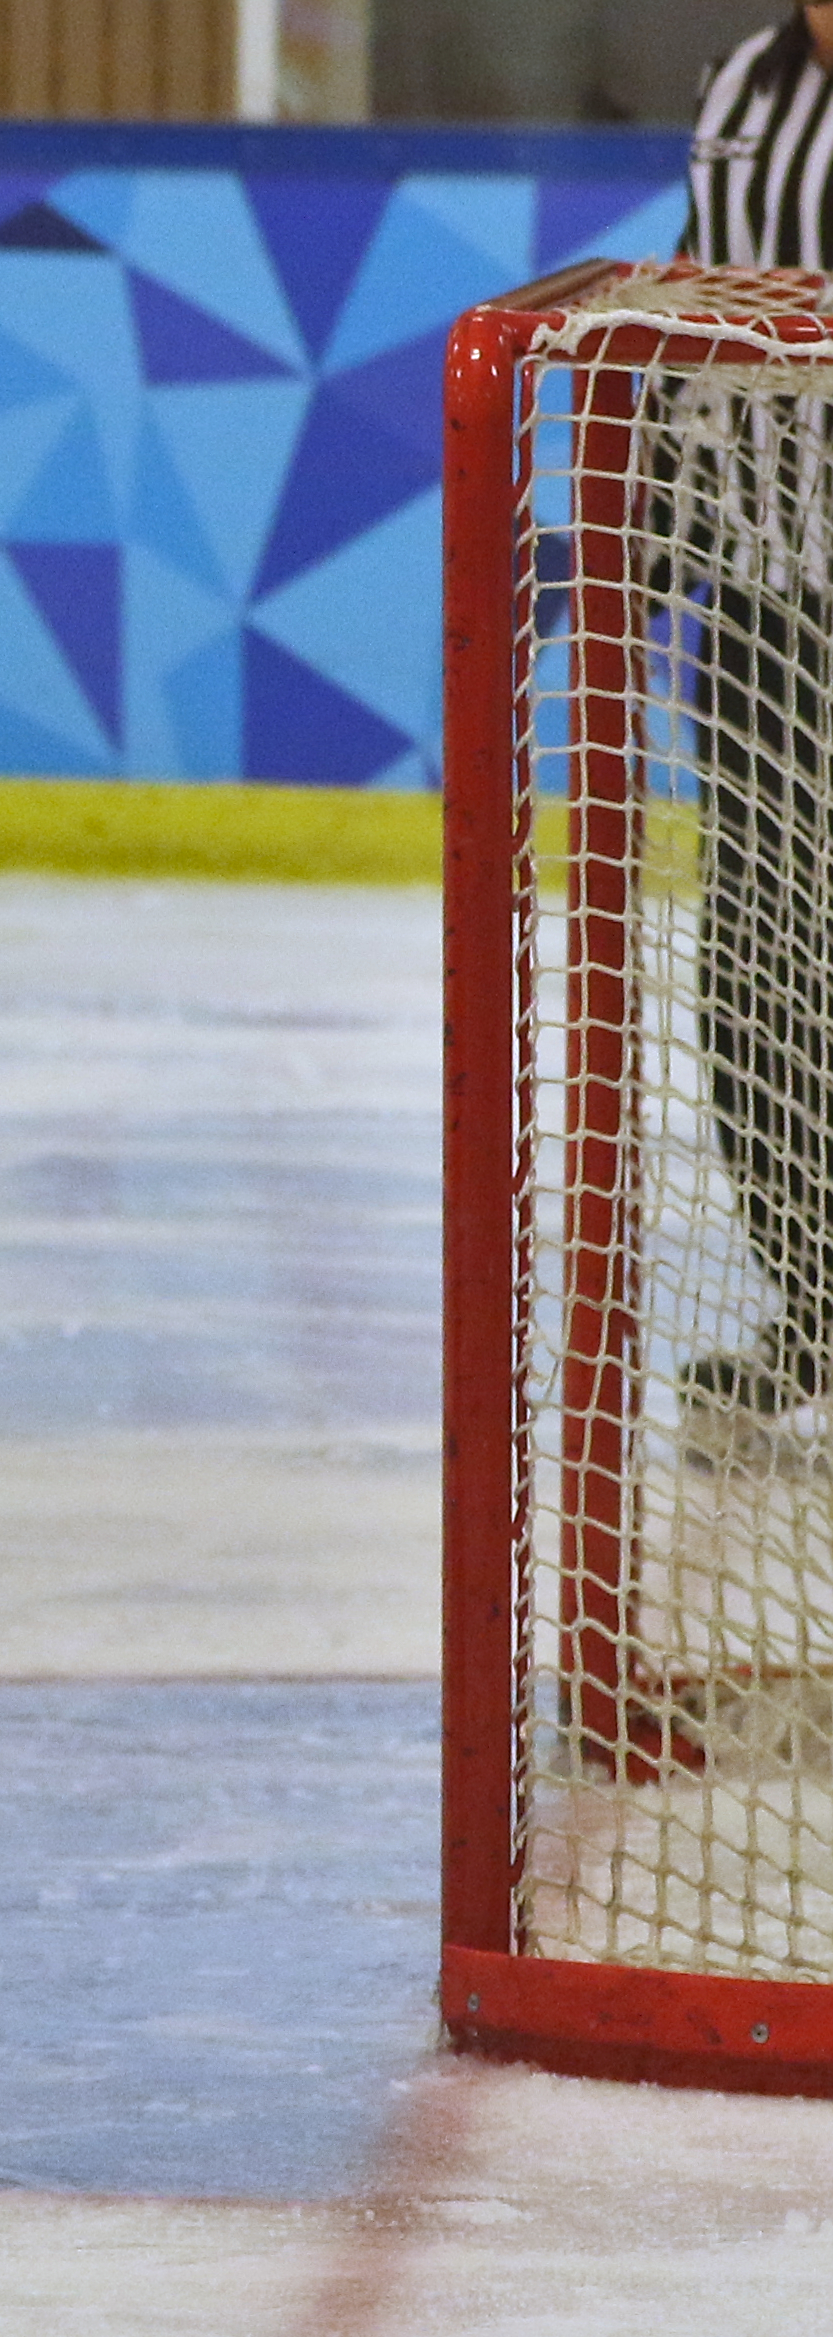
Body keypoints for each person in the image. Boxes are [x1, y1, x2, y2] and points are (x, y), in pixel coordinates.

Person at [672, 8, 833, 1416]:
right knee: (759, 979)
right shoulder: (740, 77)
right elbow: (695, 308)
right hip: (766, 611)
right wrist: (668, 516)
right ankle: (819, 1306)